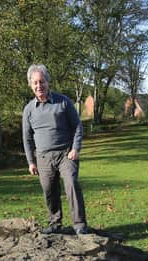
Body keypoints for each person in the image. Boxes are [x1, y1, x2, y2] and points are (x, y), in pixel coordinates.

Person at [22, 64, 88, 235]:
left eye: (42, 82)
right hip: (43, 158)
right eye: (35, 83)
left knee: (71, 184)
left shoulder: (63, 101)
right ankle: (55, 223)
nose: (39, 86)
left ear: (47, 82)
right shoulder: (28, 110)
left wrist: (75, 148)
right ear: (31, 85)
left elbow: (78, 126)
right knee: (49, 191)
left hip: (66, 154)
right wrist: (31, 161)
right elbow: (27, 138)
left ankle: (79, 224)